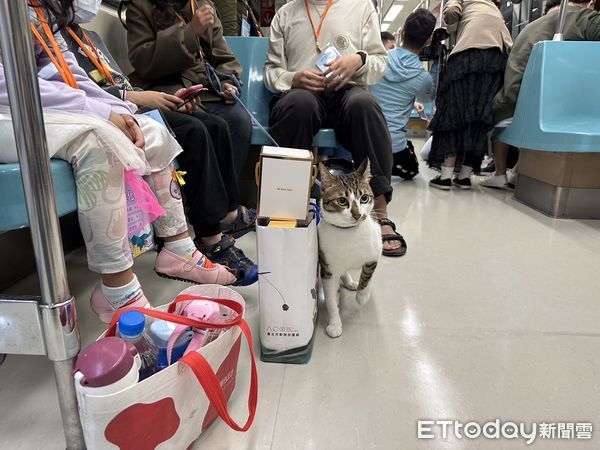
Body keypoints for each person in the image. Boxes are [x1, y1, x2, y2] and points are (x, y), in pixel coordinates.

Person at [0, 0, 239, 323]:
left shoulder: (38, 9)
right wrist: (99, 113)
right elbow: (11, 83)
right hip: (8, 106)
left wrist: (122, 112)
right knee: (102, 140)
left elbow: (68, 74)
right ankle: (117, 290)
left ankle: (177, 248)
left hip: (41, 103)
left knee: (151, 130)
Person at [62, 1, 258, 286]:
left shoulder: (89, 37)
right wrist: (189, 33)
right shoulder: (137, 10)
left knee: (222, 123)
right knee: (195, 130)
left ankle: (214, 219)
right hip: (139, 98)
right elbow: (126, 73)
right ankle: (209, 237)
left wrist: (228, 80)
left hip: (159, 95)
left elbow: (117, 81)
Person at [264, 0, 407, 258]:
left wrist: (359, 60)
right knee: (298, 105)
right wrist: (293, 78)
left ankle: (380, 211)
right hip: (301, 92)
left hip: (347, 90)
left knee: (365, 105)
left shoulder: (361, 7)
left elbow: (379, 63)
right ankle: (287, 209)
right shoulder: (285, 14)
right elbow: (271, 72)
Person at [481, 0, 600, 189]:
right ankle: (516, 171)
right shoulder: (586, 19)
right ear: (591, 3)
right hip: (545, 103)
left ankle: (501, 172)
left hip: (511, 100)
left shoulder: (531, 26)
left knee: (505, 122)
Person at [125, 0, 252, 176]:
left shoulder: (202, 4)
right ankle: (208, 200)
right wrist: (190, 32)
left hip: (206, 88)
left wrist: (226, 82)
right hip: (165, 86)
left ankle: (228, 198)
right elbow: (144, 61)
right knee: (205, 125)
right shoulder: (140, 6)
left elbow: (223, 56)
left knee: (239, 120)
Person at [427, 0, 512, 190]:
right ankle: (464, 177)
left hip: (467, 54)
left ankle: (446, 176)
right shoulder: (493, 6)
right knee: (479, 116)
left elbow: (451, 11)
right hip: (497, 57)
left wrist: (453, 29)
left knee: (453, 112)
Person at [371, 9, 437, 181]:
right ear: (429, 40)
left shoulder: (378, 59)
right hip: (392, 145)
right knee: (413, 170)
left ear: (402, 32)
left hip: (365, 136)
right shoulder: (423, 78)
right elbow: (427, 99)